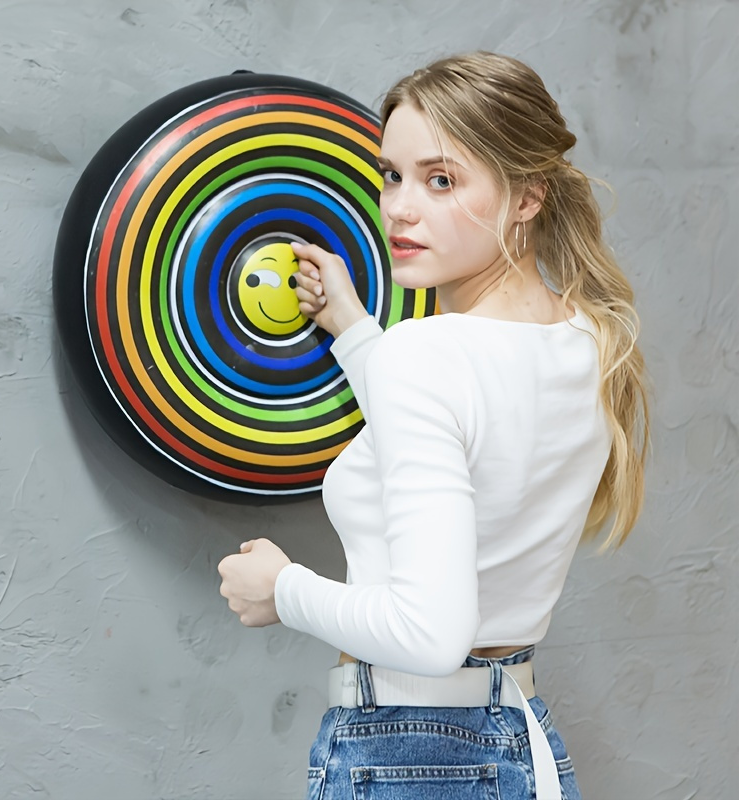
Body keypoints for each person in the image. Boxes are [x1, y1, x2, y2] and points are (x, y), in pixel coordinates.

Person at [218, 51, 649, 800]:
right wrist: (351, 327)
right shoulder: (585, 338)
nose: (399, 209)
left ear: (526, 197)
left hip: (406, 759)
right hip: (519, 744)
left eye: (441, 180)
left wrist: (281, 589)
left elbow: (430, 635)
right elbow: (462, 415)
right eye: (392, 175)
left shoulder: (429, 356)